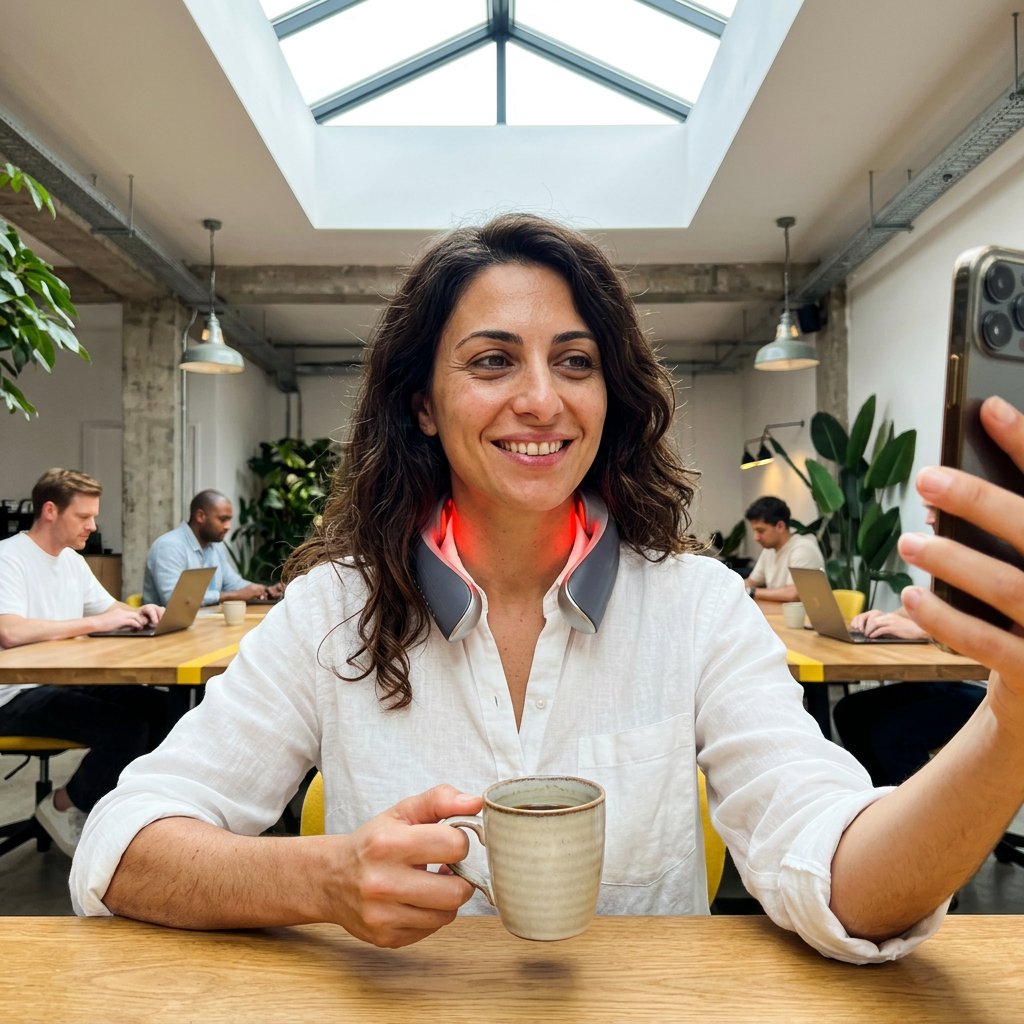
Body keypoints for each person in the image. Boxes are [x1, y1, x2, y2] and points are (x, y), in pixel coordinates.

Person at [69, 215, 1024, 965]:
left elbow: (842, 876)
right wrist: (322, 877)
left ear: (610, 400)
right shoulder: (331, 614)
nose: (542, 398)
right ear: (421, 405)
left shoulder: (698, 607)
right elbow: (119, 847)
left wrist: (1012, 721)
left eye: (576, 362)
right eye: (492, 361)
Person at [0, 469, 168, 856]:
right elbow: (10, 631)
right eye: (83, 517)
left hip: (61, 683)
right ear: (50, 511)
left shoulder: (72, 561)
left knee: (161, 709)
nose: (92, 526)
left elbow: (109, 609)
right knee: (125, 729)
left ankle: (120, 812)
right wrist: (99, 622)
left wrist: (140, 613)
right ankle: (64, 806)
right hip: (14, 694)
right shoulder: (10, 558)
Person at [833, 503, 986, 786]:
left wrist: (926, 630)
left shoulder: (995, 562)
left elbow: (991, 635)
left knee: (891, 734)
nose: (927, 518)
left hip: (989, 691)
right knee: (849, 712)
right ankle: (881, 804)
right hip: (951, 679)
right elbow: (925, 605)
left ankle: (925, 821)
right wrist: (884, 619)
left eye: (935, 511)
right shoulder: (952, 560)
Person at [142, 490, 282, 607]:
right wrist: (234, 596)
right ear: (200, 516)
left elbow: (232, 583)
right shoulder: (169, 546)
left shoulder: (214, 546)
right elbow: (174, 600)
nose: (228, 526)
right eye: (223, 520)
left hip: (205, 625)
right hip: (166, 634)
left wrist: (265, 590)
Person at [743, 496, 825, 604]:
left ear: (780, 526)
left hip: (804, 619)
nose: (756, 538)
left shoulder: (803, 549)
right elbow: (752, 581)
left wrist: (752, 592)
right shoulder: (769, 550)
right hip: (779, 614)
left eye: (761, 531)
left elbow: (795, 594)